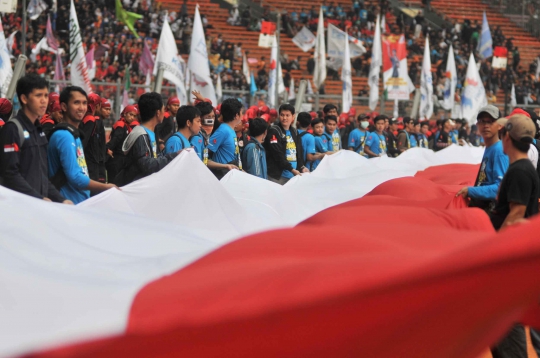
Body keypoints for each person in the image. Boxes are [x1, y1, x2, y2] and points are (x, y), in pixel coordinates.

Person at [488, 114, 539, 358]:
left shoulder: (520, 171)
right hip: (515, 256)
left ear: (507, 137)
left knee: (510, 322)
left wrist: (496, 247)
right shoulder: (520, 168)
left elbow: (517, 213)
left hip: (511, 257)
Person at [0, 75, 70, 203]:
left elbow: (42, 176)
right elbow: (10, 174)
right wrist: (39, 198)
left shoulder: (39, 131)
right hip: (20, 207)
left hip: (37, 208)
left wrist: (62, 200)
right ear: (24, 98)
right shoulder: (13, 129)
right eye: (38, 95)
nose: (44, 100)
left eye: (46, 95)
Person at [47, 87, 116, 204]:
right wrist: (106, 187)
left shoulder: (74, 134)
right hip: (67, 204)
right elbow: (75, 177)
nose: (82, 108)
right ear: (64, 107)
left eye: (84, 103)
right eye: (76, 103)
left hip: (77, 202)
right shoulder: (64, 136)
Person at [115, 92, 180, 186]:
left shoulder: (151, 133)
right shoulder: (141, 135)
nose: (164, 112)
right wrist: (175, 156)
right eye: (163, 109)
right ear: (158, 113)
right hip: (135, 189)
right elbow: (147, 165)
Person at [457, 106, 509, 211]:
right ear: (477, 125)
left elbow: (500, 188)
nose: (486, 125)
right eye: (482, 121)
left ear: (500, 125)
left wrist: (471, 191)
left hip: (492, 212)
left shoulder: (499, 151)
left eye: (490, 121)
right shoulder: (490, 148)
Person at [263, 103, 308, 184]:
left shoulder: (294, 132)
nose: (284, 118)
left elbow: (299, 152)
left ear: (293, 117)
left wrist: (302, 167)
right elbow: (277, 154)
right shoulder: (274, 131)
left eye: (287, 115)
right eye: (282, 115)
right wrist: (291, 169)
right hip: (277, 177)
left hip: (292, 176)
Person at [207, 98, 242, 179]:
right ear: (236, 116)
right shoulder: (223, 131)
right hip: (223, 177)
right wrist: (224, 166)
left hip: (231, 175)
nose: (242, 116)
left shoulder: (231, 130)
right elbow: (204, 155)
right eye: (241, 112)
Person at [106, 105, 138, 184]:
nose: (132, 118)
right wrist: (107, 149)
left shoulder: (127, 126)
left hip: (121, 159)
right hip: (116, 159)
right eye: (130, 114)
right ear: (125, 114)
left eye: (134, 116)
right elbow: (115, 140)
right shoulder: (121, 124)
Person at [79, 93, 106, 183]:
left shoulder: (85, 117)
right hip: (90, 160)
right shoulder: (90, 119)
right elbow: (84, 140)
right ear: (97, 105)